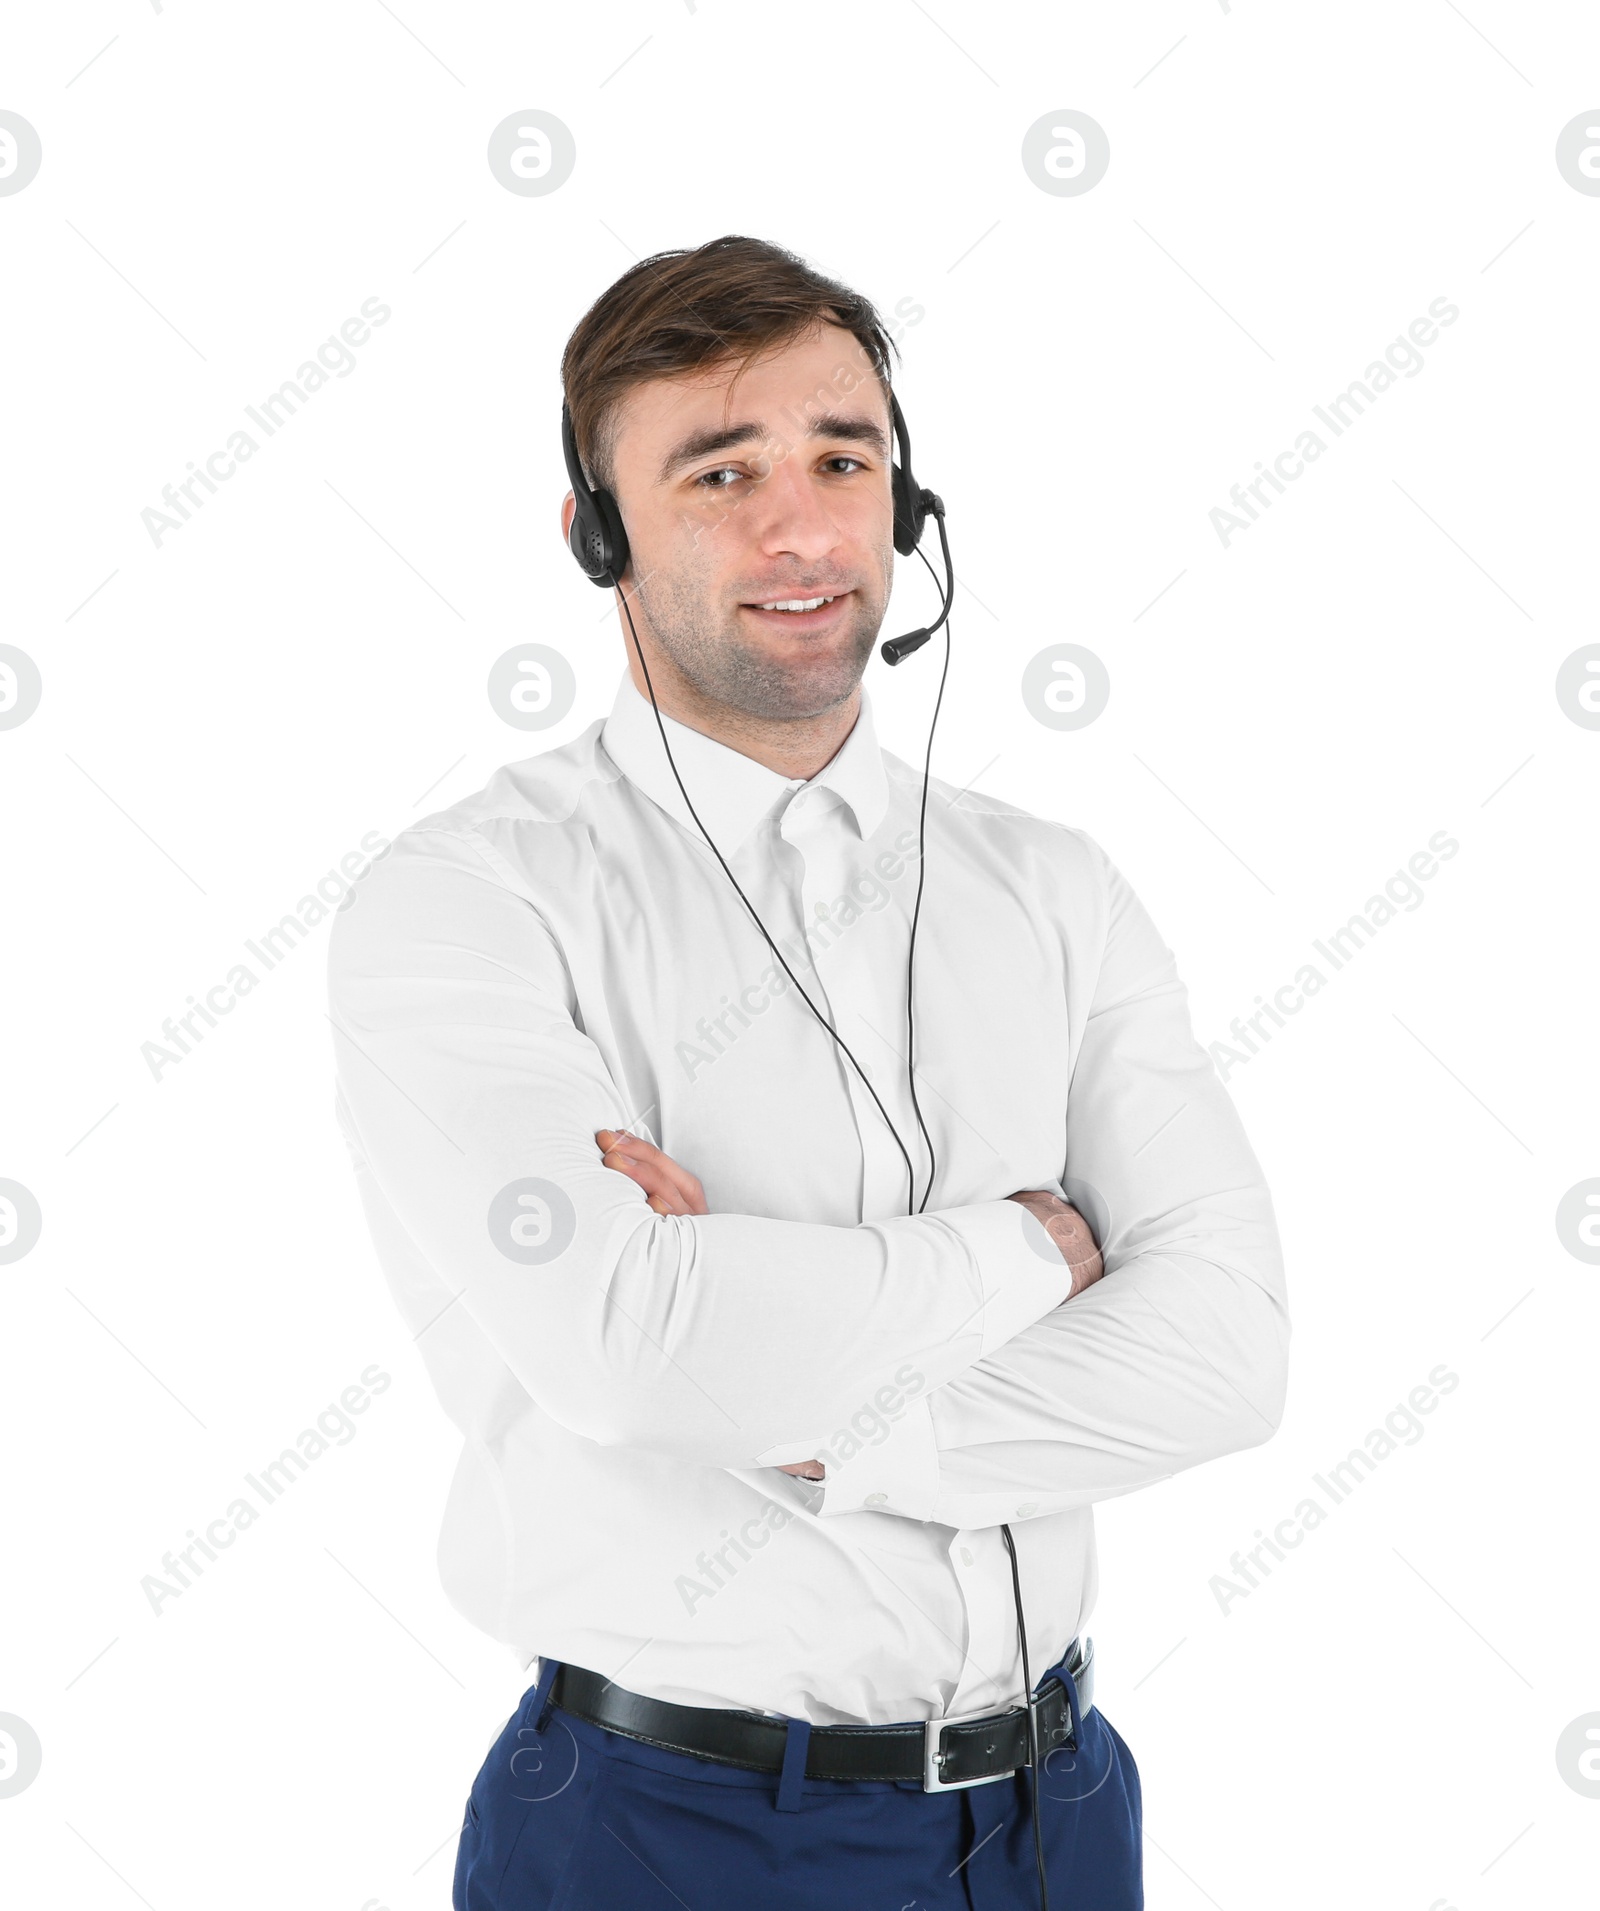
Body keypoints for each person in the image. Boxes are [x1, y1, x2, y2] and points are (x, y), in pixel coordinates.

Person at [326, 233, 1290, 1910]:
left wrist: (812, 1427)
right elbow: (634, 1353)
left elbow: (1226, 1356)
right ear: (597, 536)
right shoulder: (470, 900)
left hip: (1063, 1816)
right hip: (669, 1829)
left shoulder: (1056, 888)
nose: (799, 528)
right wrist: (1026, 1255)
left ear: (907, 510)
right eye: (721, 473)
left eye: (845, 460)